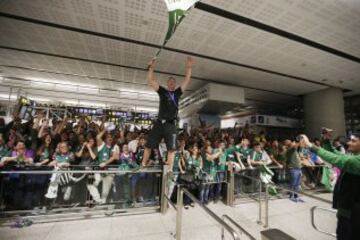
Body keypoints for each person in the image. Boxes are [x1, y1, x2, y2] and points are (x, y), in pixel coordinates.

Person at [300, 133, 360, 240]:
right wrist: (326, 140)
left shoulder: (356, 161)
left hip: (352, 215)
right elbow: (336, 154)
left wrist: (310, 145)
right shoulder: (354, 157)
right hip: (348, 212)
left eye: (354, 141)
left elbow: (336, 159)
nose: (348, 142)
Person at [142, 56, 193, 173]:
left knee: (172, 149)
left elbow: (187, 80)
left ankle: (169, 169)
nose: (172, 83)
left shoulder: (177, 93)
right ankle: (143, 164)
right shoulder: (163, 91)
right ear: (167, 83)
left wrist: (189, 67)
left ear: (175, 85)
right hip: (160, 123)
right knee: (149, 145)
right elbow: (150, 81)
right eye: (170, 82)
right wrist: (151, 68)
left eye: (173, 82)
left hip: (171, 125)